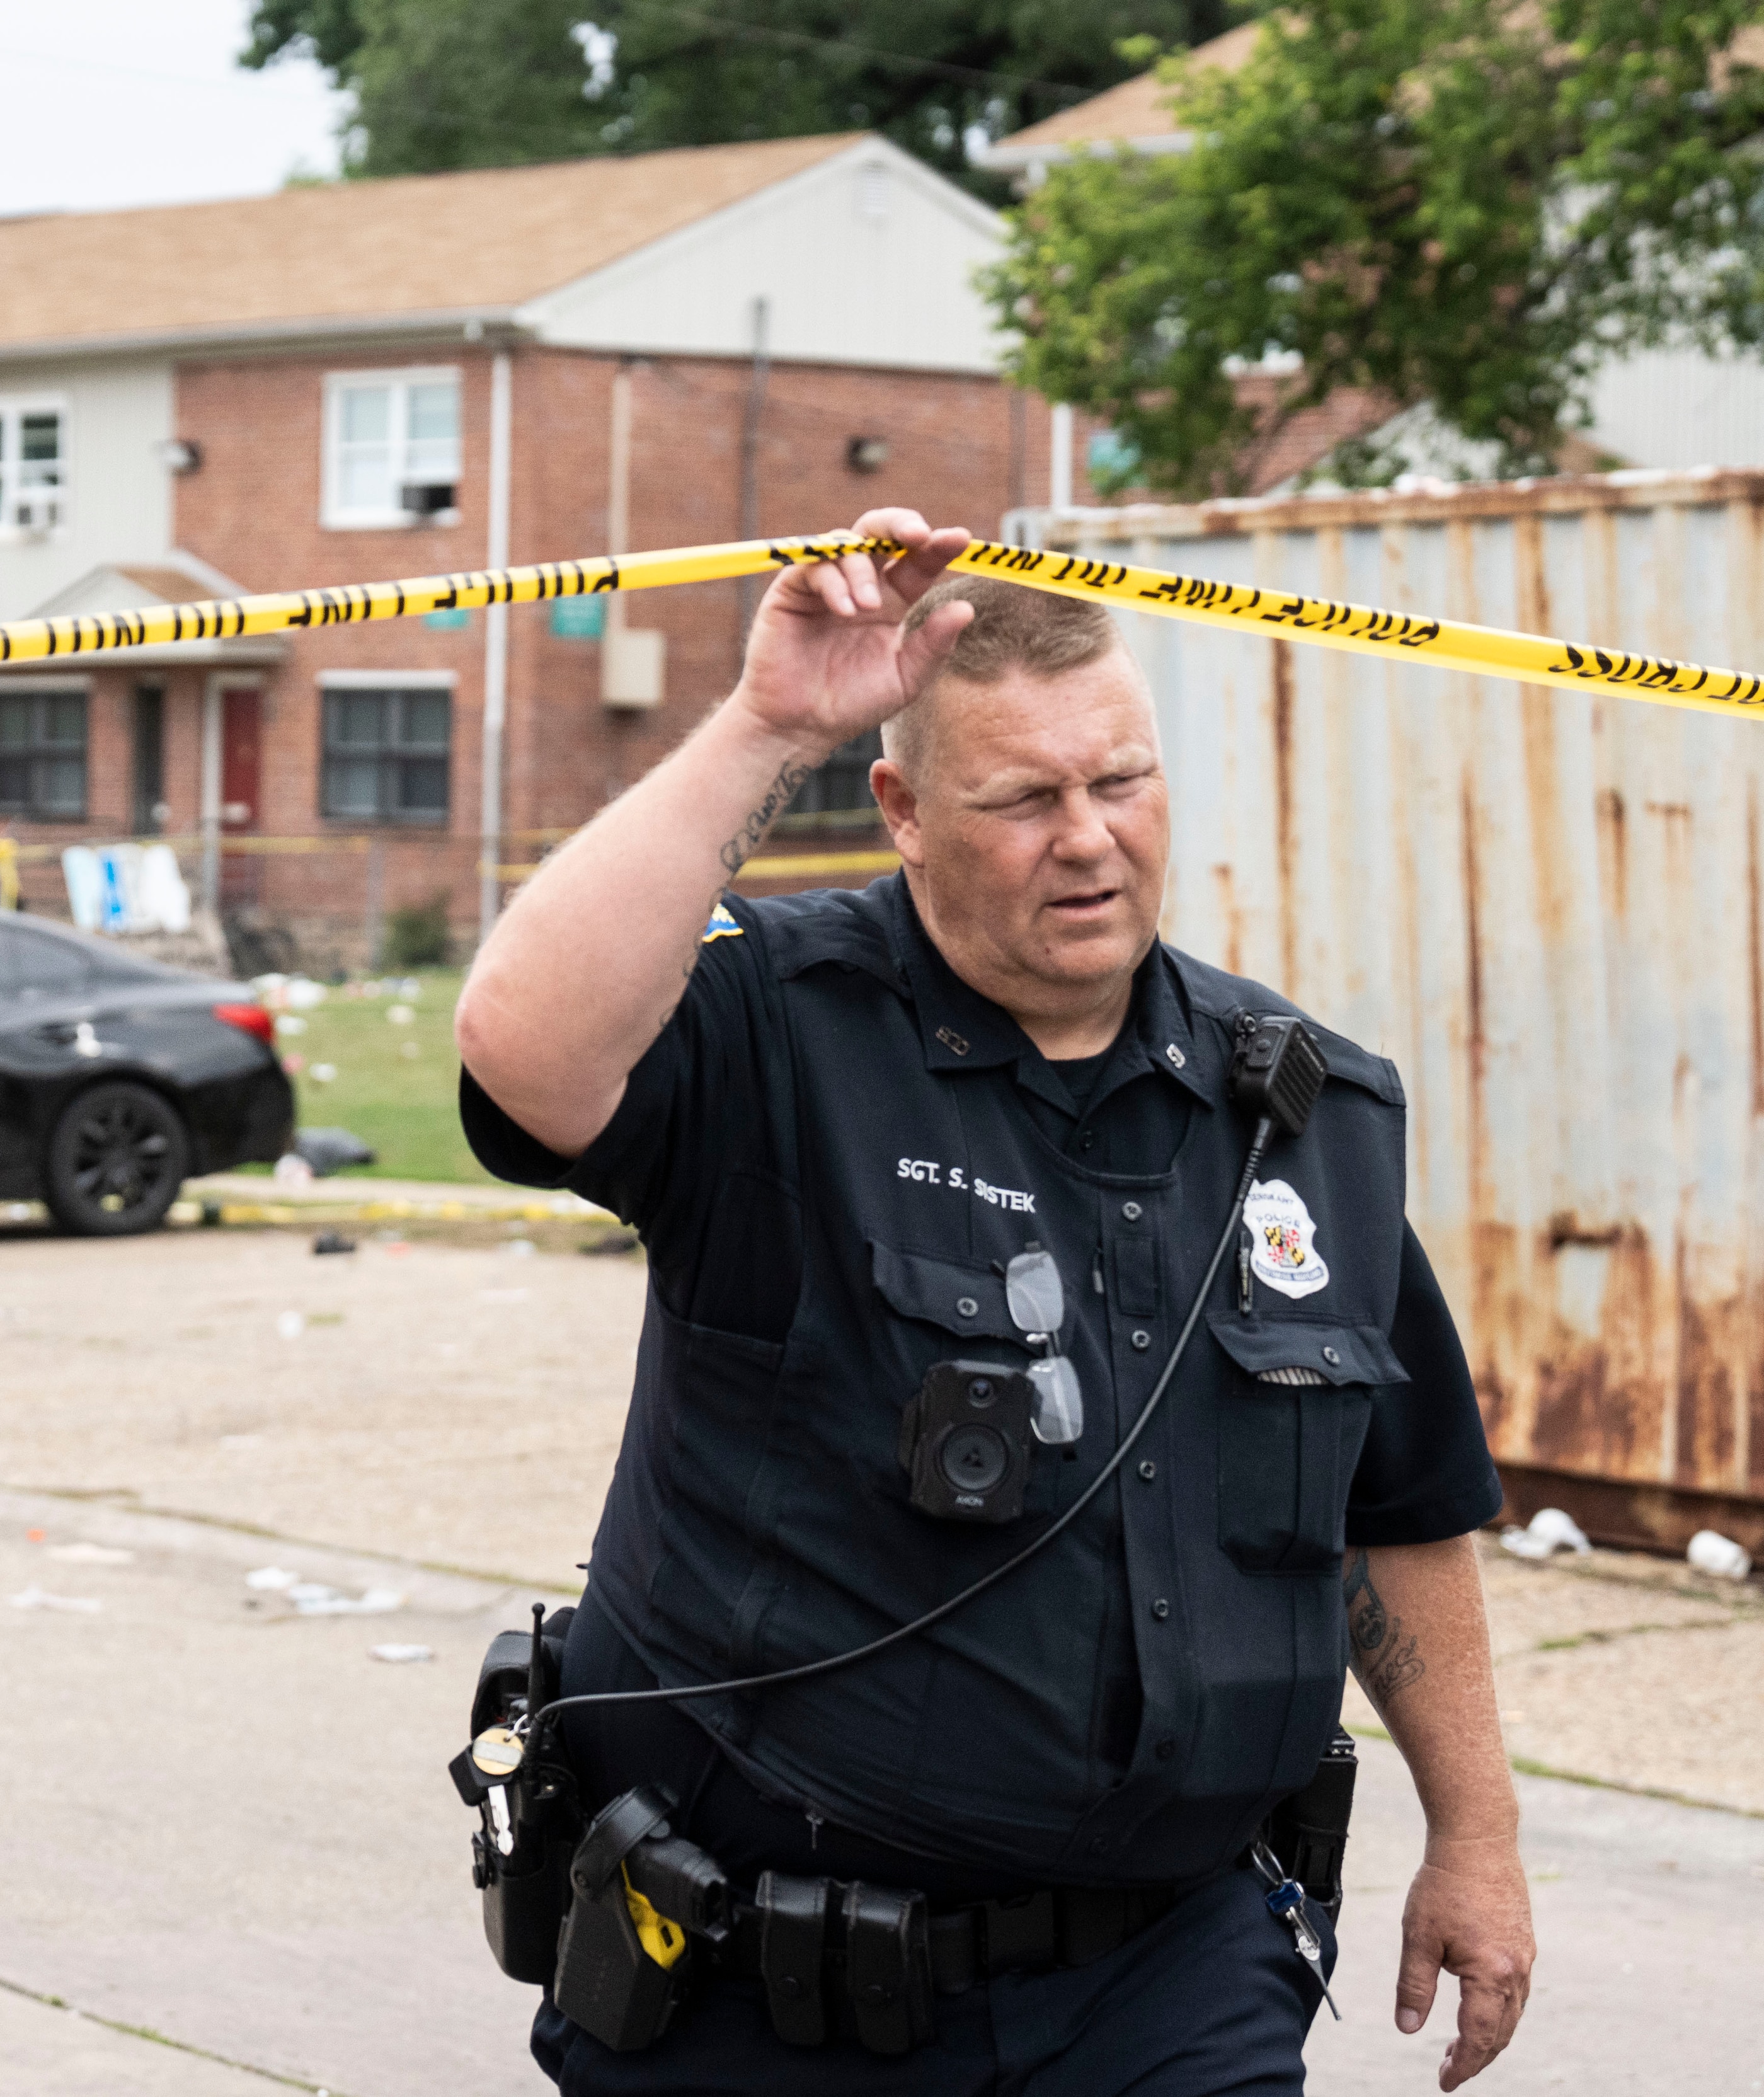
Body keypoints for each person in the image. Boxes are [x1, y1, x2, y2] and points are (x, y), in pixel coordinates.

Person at [455, 508, 1533, 2094]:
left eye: (1120, 781)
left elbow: (1397, 1506)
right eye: (1023, 798)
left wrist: (1480, 1836)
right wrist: (767, 724)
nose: (1087, 836)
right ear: (898, 806)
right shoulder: (774, 1025)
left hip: (1174, 1976)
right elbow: (525, 1049)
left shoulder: (1301, 1113)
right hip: (773, 1992)